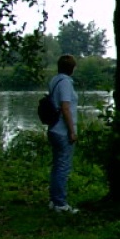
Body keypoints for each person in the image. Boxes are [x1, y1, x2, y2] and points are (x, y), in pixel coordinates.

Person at [47, 54, 79, 213]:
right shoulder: (65, 83)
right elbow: (65, 108)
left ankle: (54, 200)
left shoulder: (54, 80)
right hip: (62, 131)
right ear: (72, 68)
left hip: (53, 128)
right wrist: (72, 131)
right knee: (63, 166)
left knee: (57, 166)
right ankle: (60, 203)